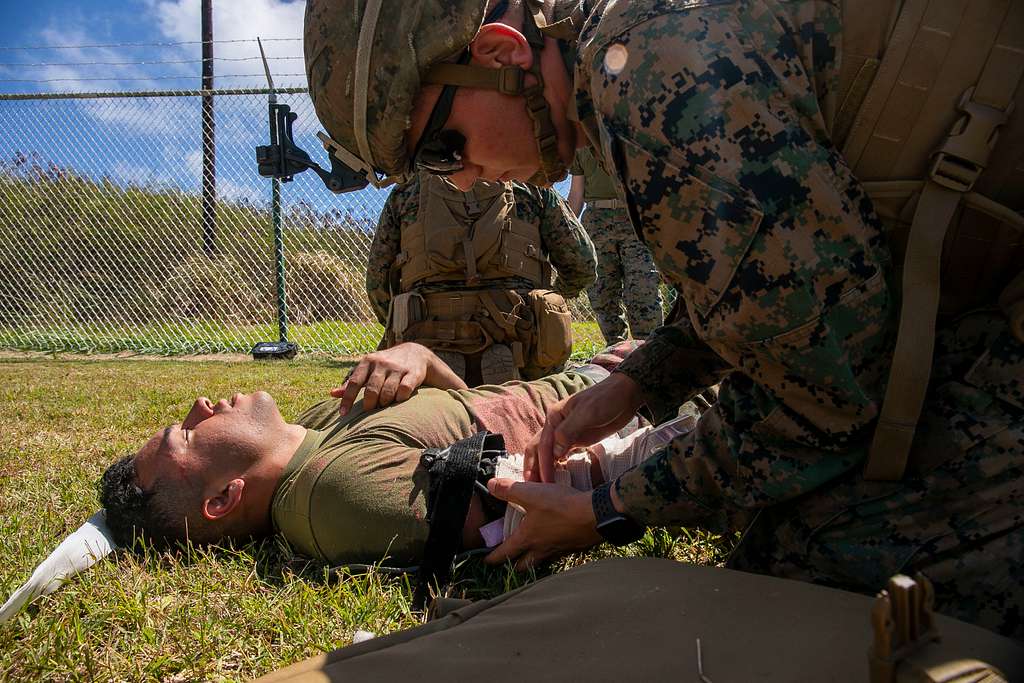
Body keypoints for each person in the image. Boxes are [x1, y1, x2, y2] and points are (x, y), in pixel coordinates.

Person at [301, 0, 1024, 638]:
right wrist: (639, 381)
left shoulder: (646, 71)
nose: (462, 178)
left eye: (442, 146)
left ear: (500, 53)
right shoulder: (634, 40)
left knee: (810, 570)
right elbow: (782, 279)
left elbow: (824, 395)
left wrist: (609, 508)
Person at [97, 342, 644, 568]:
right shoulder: (340, 494)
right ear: (223, 498)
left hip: (605, 375)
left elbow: (472, 411)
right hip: (644, 398)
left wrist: (422, 359)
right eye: (186, 437)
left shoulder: (313, 427)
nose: (198, 406)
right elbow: (535, 502)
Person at [366, 170, 596, 385]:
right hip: (521, 340)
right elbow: (582, 264)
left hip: (426, 334)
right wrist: (548, 302)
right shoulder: (531, 184)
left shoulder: (406, 191)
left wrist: (405, 320)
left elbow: (377, 282)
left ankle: (434, 356)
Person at [567, 147, 662, 343]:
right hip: (596, 222)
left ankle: (649, 349)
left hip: (634, 219)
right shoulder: (581, 146)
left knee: (643, 289)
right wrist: (566, 231)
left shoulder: (625, 136)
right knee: (602, 293)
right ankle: (615, 350)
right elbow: (576, 194)